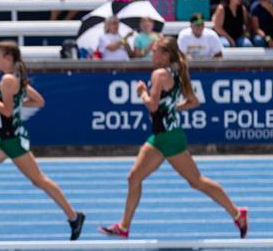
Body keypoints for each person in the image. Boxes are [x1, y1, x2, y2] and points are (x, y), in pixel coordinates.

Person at [100, 36, 247, 239]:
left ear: (165, 55)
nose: (151, 54)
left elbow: (152, 105)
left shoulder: (159, 74)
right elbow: (193, 101)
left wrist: (142, 92)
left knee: (197, 181)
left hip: (169, 138)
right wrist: (173, 108)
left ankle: (238, 214)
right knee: (134, 177)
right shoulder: (175, 73)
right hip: (160, 136)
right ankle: (124, 227)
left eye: (154, 51)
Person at [0, 42, 85, 238]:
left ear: (8, 57)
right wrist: (17, 103)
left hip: (13, 139)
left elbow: (7, 112)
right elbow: (39, 101)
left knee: (39, 180)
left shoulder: (8, 80)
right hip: (4, 138)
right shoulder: (17, 79)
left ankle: (74, 216)